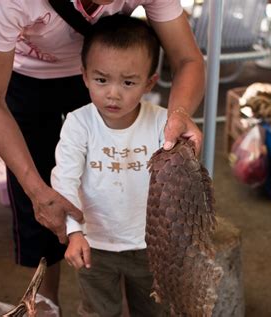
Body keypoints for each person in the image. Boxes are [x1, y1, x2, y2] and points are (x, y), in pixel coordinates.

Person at [0, 0, 205, 306]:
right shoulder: (7, 3)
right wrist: (36, 189)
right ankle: (45, 303)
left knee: (113, 174)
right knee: (43, 200)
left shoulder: (113, 87)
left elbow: (188, 59)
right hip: (29, 79)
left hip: (102, 71)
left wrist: (178, 114)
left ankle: (130, 287)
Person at [51, 14, 166, 315]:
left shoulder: (162, 122)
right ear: (85, 76)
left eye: (128, 82)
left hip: (151, 245)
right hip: (94, 245)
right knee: (99, 311)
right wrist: (74, 231)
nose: (113, 93)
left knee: (155, 311)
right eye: (101, 80)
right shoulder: (79, 123)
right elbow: (65, 179)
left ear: (149, 82)